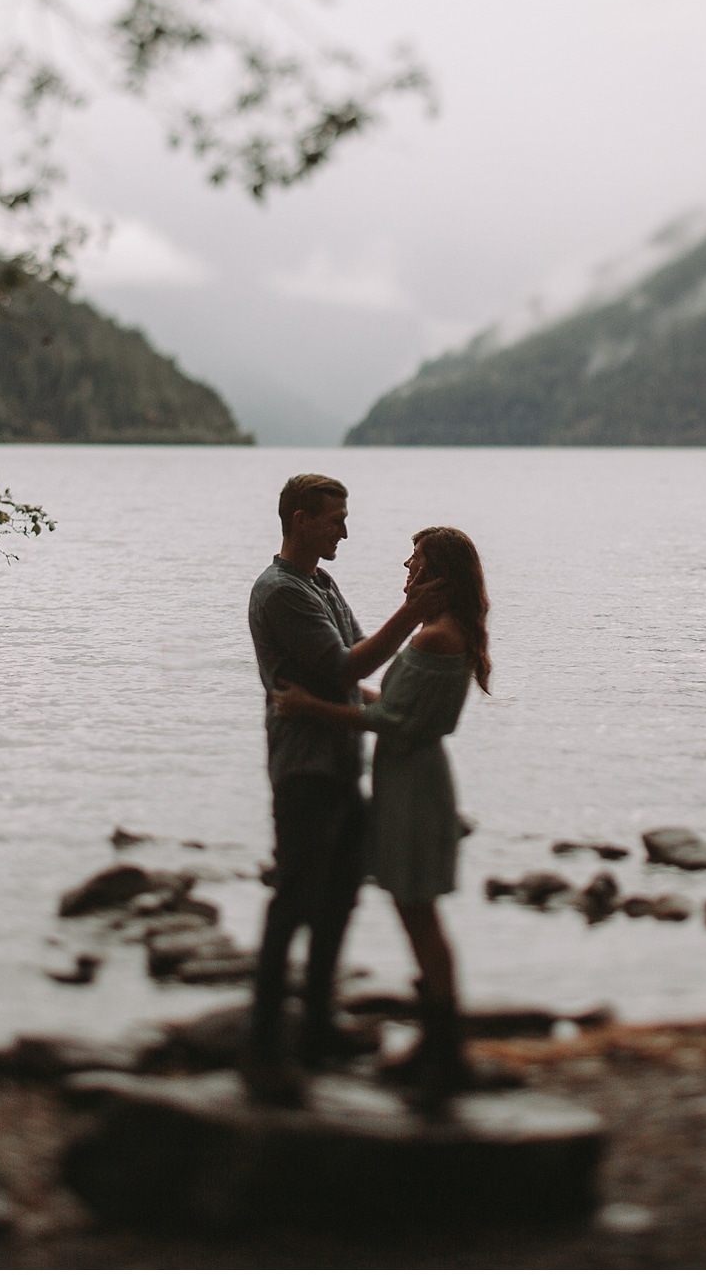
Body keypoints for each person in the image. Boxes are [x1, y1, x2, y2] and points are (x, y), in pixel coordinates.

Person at [273, 525, 490, 1111]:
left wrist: (308, 707)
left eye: (417, 561)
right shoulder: (451, 633)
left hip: (412, 787)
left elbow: (394, 723)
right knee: (418, 912)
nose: (407, 568)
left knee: (419, 914)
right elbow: (399, 709)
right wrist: (346, 696)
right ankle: (440, 1041)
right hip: (415, 778)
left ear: (439, 575)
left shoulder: (433, 640)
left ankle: (444, 1048)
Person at [243, 474, 443, 1107]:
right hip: (304, 768)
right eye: (335, 520)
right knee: (294, 902)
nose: (345, 531)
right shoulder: (280, 592)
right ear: (301, 520)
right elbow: (344, 666)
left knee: (338, 899)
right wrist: (413, 613)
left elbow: (353, 666)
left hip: (341, 762)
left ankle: (318, 1029)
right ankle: (263, 1047)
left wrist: (407, 714)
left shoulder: (320, 584)